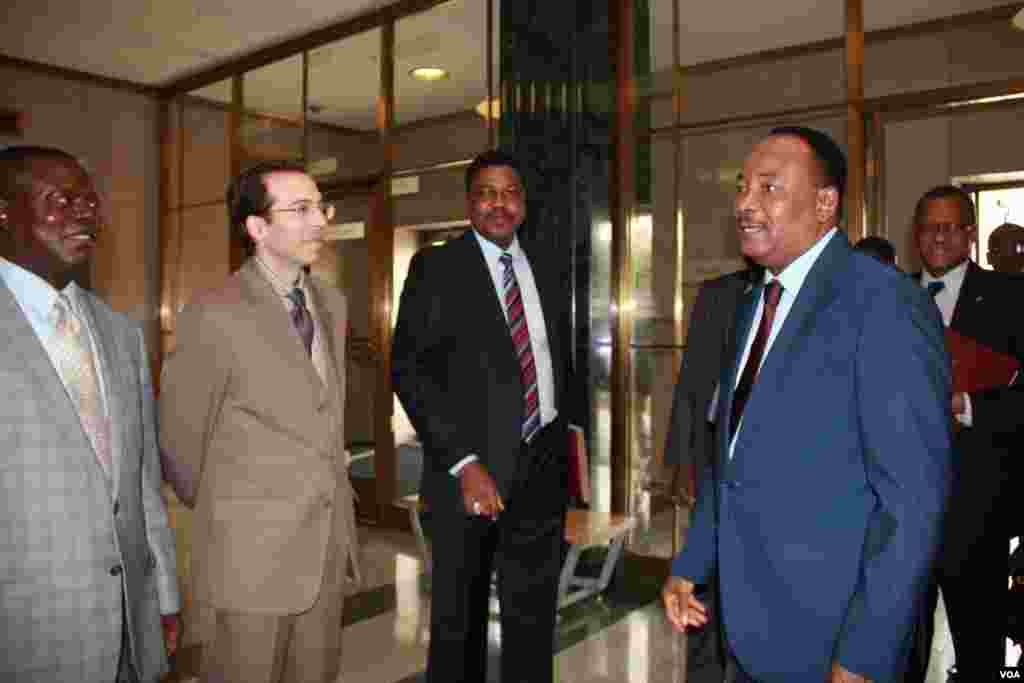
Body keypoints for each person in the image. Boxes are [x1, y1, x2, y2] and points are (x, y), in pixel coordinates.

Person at [662, 127, 952, 683]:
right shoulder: (756, 301)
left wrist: (864, 654)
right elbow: (734, 460)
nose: (745, 203)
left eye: (769, 188)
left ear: (825, 204)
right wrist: (692, 562)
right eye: (743, 187)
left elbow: (912, 504)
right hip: (747, 626)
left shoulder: (885, 306)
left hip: (830, 639)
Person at [159, 160, 359, 683]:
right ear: (257, 228)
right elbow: (180, 444)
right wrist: (240, 518)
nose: (320, 221)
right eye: (301, 209)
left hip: (326, 545)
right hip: (250, 555)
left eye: (322, 207)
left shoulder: (331, 305)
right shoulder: (214, 313)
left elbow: (322, 415)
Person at [392, 150, 575, 683]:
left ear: (524, 201)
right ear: (470, 203)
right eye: (487, 194)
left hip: (541, 465)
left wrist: (569, 439)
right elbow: (410, 370)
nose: (500, 204)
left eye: (510, 192)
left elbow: (556, 359)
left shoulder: (545, 262)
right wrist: (464, 461)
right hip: (470, 471)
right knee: (459, 618)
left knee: (533, 613)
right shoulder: (437, 266)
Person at [0, 145, 180, 682]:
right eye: (60, 200)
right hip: (27, 630)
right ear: (5, 212)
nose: (86, 213)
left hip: (129, 624)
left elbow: (142, 480)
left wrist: (163, 592)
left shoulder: (118, 332)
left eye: (90, 201)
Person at [910, 185, 1024, 681]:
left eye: (950, 226)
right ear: (916, 235)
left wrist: (968, 405)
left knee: (979, 650)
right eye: (930, 226)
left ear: (970, 235)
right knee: (894, 652)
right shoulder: (886, 296)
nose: (939, 237)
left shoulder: (1010, 299)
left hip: (976, 507)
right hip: (897, 516)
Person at [661, 265, 760, 683]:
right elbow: (692, 383)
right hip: (714, 459)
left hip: (769, 472)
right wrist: (682, 460)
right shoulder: (720, 294)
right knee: (705, 584)